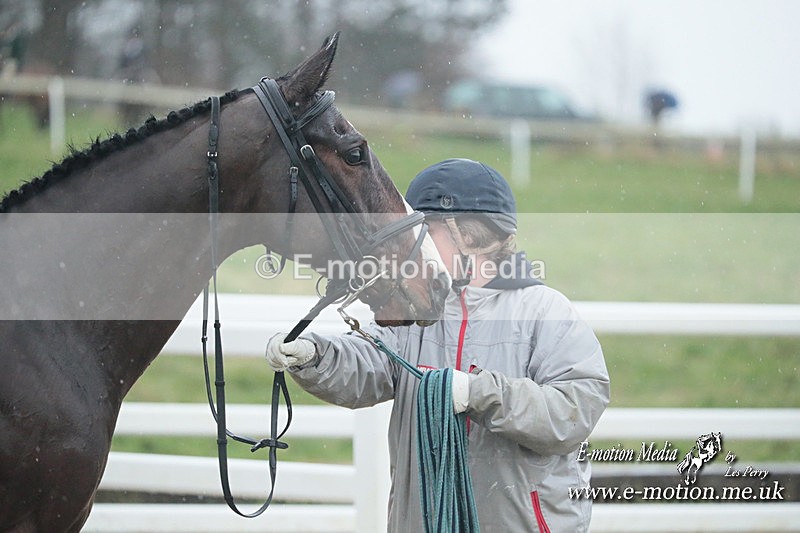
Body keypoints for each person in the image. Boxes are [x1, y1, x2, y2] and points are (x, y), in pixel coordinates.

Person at [266, 158, 610, 532]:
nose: (410, 245)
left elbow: (573, 410)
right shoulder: (416, 308)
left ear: (469, 234)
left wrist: (479, 394)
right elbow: (371, 361)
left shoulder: (546, 311)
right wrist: (315, 356)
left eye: (424, 232)